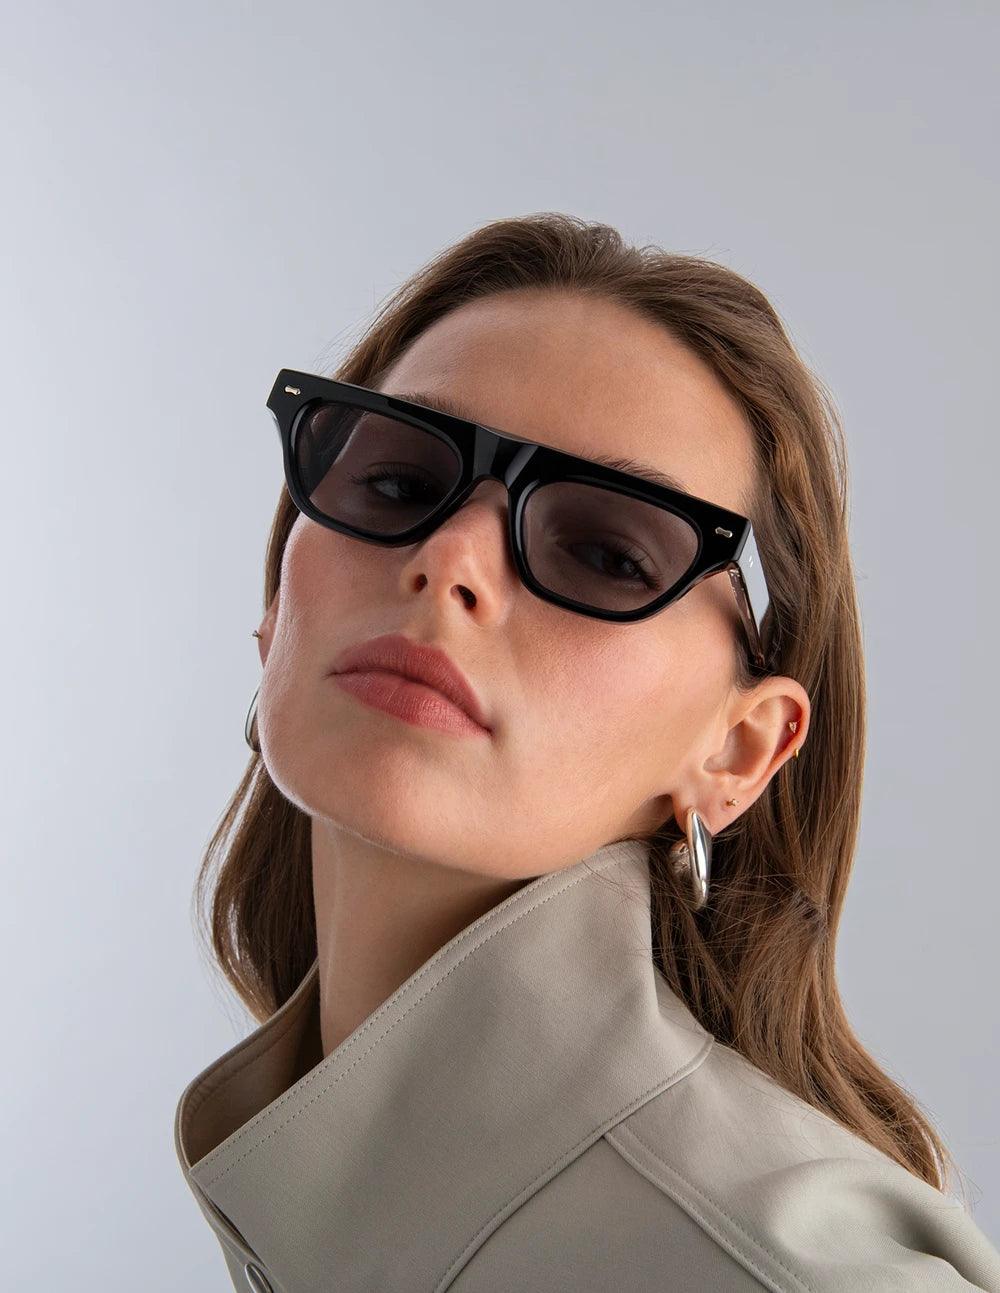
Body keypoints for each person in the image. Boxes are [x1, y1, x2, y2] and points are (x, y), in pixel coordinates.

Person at [174, 213, 1000, 1292]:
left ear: (739, 751)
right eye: (394, 483)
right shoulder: (327, 1178)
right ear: (279, 595)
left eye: (607, 551)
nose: (451, 558)